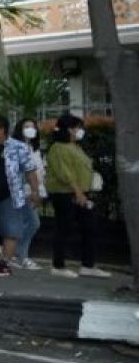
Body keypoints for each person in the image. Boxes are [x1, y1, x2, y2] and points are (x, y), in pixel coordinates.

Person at [0, 114, 42, 277]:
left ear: (1, 130)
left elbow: (30, 170)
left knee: (11, 231)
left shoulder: (18, 147)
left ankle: (4, 264)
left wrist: (35, 191)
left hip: (10, 197)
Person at [45, 114, 109, 278]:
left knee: (89, 228)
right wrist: (78, 192)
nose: (80, 131)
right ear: (68, 129)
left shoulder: (76, 146)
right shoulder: (58, 147)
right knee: (63, 228)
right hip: (65, 193)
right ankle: (58, 266)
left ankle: (88, 265)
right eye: (77, 127)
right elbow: (64, 173)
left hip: (82, 192)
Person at [9, 117, 45, 270]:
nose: (30, 129)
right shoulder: (17, 147)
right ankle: (18, 255)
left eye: (33, 126)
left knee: (27, 223)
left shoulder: (34, 149)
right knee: (32, 223)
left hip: (34, 191)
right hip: (23, 192)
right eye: (26, 126)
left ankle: (15, 254)